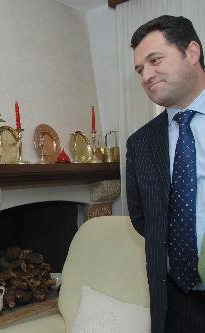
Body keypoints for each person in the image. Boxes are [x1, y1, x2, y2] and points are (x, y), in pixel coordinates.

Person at [127, 15, 205, 333]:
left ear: (192, 52)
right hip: (175, 303)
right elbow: (143, 219)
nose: (146, 75)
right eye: (139, 70)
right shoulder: (141, 143)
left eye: (154, 60)